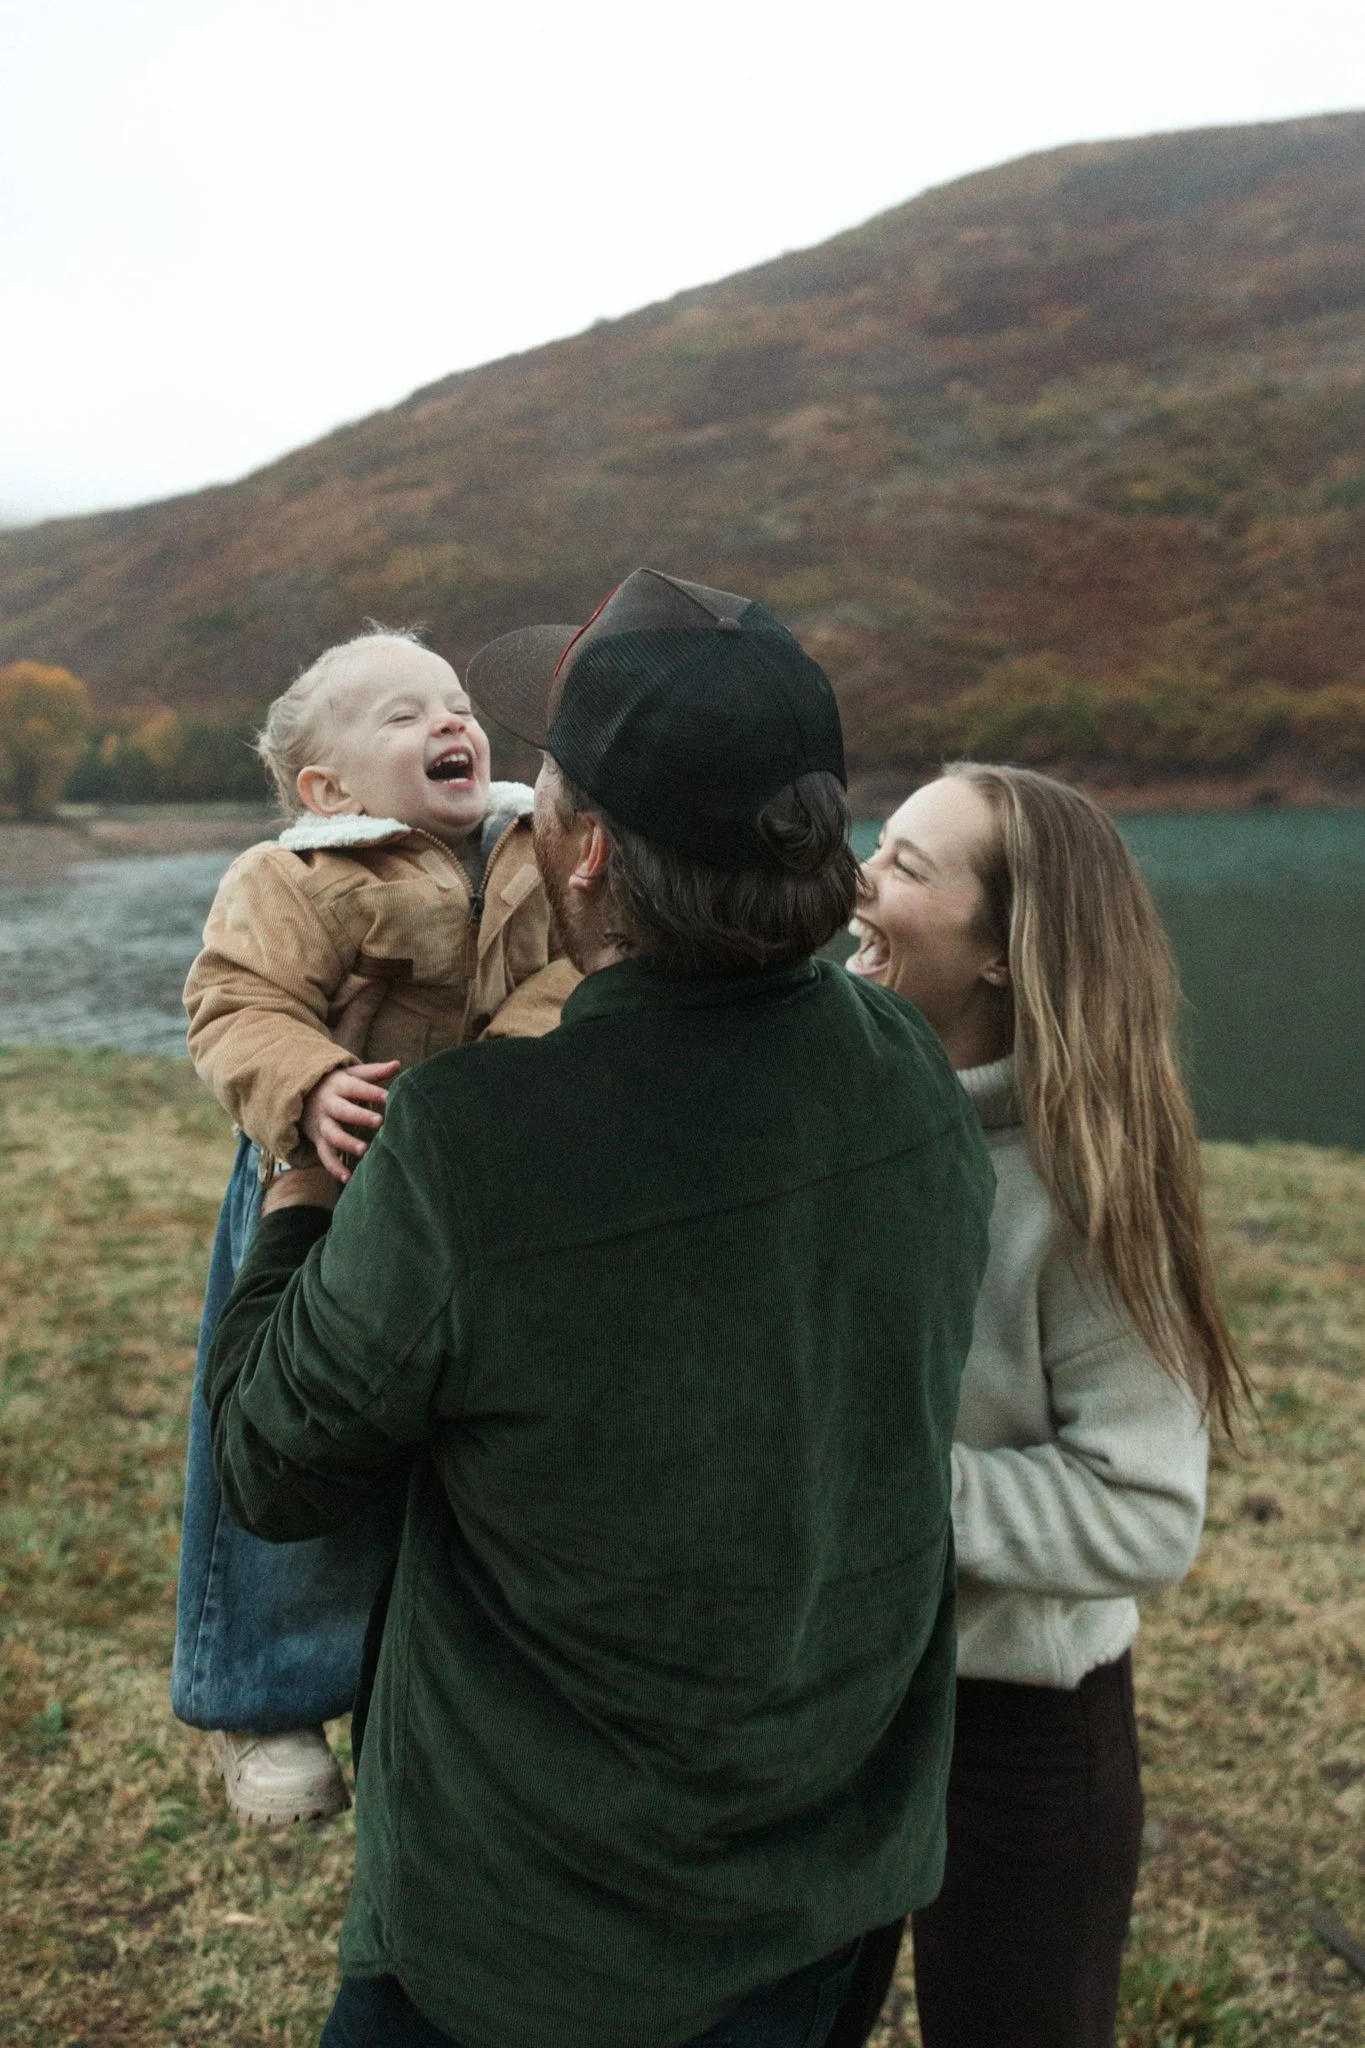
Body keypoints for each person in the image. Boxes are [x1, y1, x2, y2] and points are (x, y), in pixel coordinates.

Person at [201, 568, 996, 2048]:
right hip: (824, 1874)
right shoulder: (902, 1066)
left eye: (545, 783)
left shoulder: (472, 1146)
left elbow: (270, 1459)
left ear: (584, 861)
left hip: (528, 1927)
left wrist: (302, 1172)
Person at [833, 762, 1249, 2048]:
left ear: (1008, 952)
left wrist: (864, 1488)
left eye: (906, 865)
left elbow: (1145, 1513)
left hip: (1017, 1733)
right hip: (828, 1700)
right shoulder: (826, 1098)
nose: (858, 881)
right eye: (874, 842)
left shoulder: (1089, 1188)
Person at [172, 625, 576, 1825]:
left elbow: (576, 973)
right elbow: (234, 1001)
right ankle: (266, 1697)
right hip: (331, 1165)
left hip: (479, 1179)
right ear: (326, 787)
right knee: (282, 1422)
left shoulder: (532, 843)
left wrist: (514, 1061)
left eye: (457, 703)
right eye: (404, 715)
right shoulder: (293, 873)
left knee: (456, 1429)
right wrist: (306, 1083)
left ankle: (433, 1676)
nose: (452, 723)